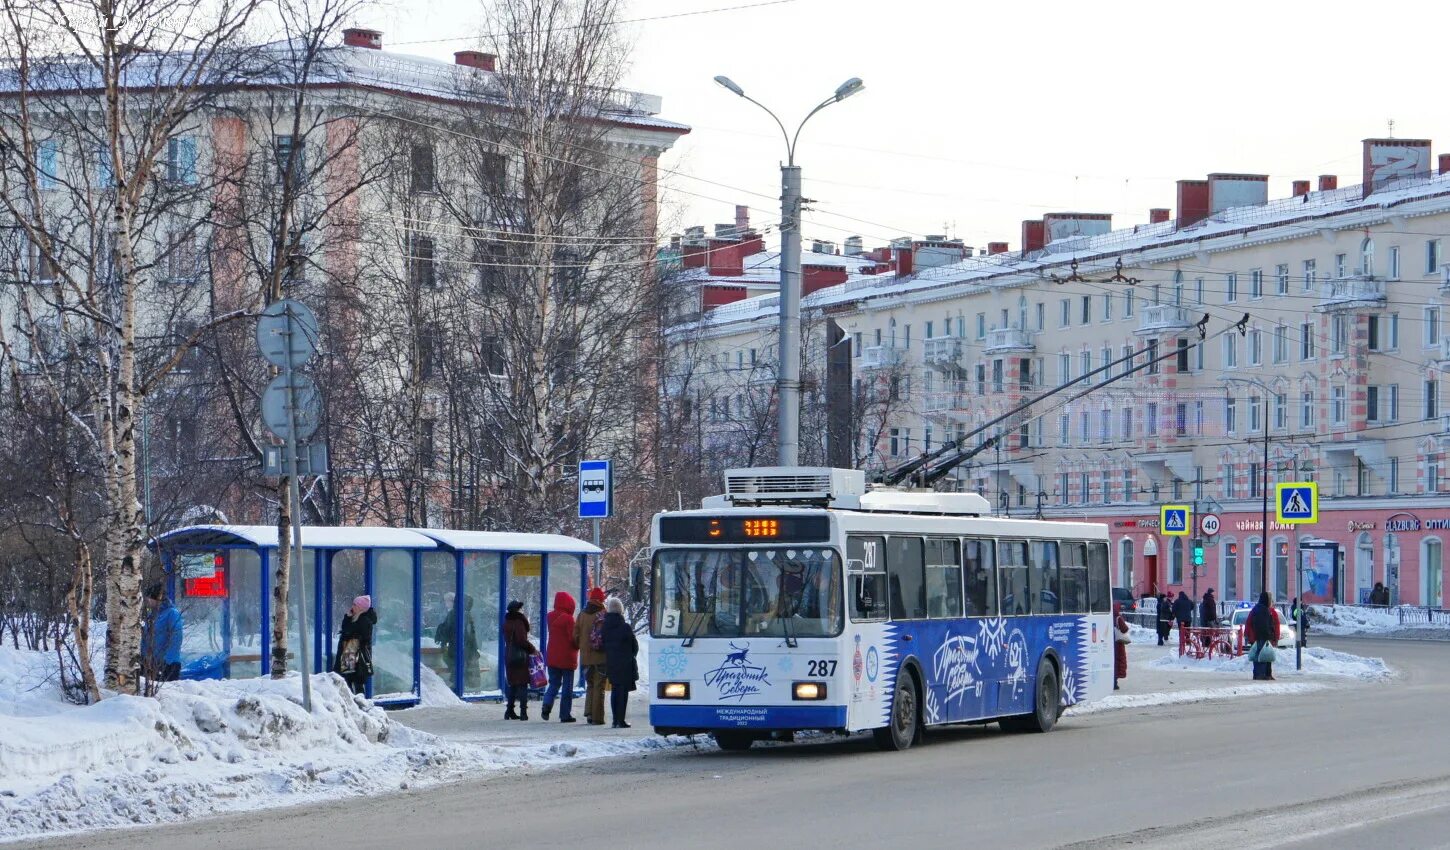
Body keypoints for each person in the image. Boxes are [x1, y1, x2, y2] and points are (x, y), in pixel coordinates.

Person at [600, 596, 639, 728]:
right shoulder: (625, 627)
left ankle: (615, 720)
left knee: (615, 690)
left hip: (611, 663)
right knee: (623, 693)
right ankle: (620, 720)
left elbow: (603, 645)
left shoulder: (605, 627)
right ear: (621, 610)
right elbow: (635, 646)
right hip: (625, 664)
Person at [542, 590, 579, 723]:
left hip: (552, 656)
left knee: (554, 683)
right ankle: (565, 714)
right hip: (567, 658)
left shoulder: (549, 616)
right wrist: (578, 645)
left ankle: (546, 704)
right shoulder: (569, 619)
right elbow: (573, 639)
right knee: (567, 687)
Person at [575, 587, 608, 725]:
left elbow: (575, 636)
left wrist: (583, 647)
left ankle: (589, 713)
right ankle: (597, 717)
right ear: (601, 600)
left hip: (586, 657)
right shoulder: (603, 614)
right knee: (599, 686)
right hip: (600, 656)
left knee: (590, 685)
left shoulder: (582, 615)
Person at [435, 595, 480, 692]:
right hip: (467, 649)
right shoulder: (468, 615)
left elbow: (448, 630)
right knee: (461, 662)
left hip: (458, 648)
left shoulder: (454, 614)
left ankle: (458, 684)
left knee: (454, 660)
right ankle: (460, 685)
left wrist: (443, 641)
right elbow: (471, 634)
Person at [142, 583, 184, 682]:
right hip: (151, 661)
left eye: (149, 598)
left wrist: (168, 659)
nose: (147, 601)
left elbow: (176, 637)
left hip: (168, 664)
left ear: (157, 598)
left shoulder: (172, 613)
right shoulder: (151, 614)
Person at [334, 595, 376, 695]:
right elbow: (346, 629)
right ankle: (353, 705)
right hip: (349, 653)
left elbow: (355, 634)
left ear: (360, 607)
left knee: (357, 683)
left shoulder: (365, 620)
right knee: (347, 681)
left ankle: (359, 706)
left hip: (357, 655)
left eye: (355, 604)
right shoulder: (354, 617)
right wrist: (347, 618)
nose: (352, 606)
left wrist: (349, 627)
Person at [502, 600, 536, 719]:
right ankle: (523, 713)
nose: (522, 611)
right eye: (520, 609)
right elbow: (521, 640)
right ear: (517, 610)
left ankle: (509, 711)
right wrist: (532, 649)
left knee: (513, 684)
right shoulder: (519, 622)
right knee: (522, 684)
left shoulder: (507, 622)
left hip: (509, 654)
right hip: (520, 656)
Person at [1244, 591, 1281, 681]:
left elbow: (1249, 622)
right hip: (1262, 637)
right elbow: (1266, 625)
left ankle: (1263, 674)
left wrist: (1247, 635)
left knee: (1263, 655)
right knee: (1263, 655)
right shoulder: (1264, 610)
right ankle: (1262, 674)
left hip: (1258, 637)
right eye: (1269, 599)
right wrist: (1272, 636)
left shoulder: (1257, 609)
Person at [1112, 603, 1130, 690]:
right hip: (1118, 643)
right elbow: (1125, 629)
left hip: (1109, 643)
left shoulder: (1108, 616)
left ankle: (1111, 681)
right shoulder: (1118, 617)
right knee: (1118, 661)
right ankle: (1114, 682)